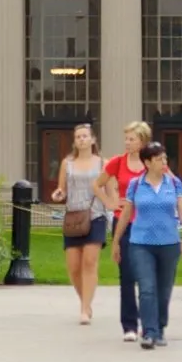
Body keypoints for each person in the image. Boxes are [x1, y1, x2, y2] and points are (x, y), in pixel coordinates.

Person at [110, 140, 182, 349]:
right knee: (147, 289)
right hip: (140, 244)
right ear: (147, 162)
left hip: (168, 243)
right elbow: (126, 213)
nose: (163, 162)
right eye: (158, 159)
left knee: (163, 290)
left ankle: (160, 327)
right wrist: (117, 241)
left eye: (165, 158)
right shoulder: (136, 185)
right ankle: (149, 332)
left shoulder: (173, 184)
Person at [50, 122, 108, 325]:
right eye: (78, 137)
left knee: (89, 262)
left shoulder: (103, 164)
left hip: (96, 216)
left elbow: (109, 190)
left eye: (85, 136)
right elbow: (62, 189)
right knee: (74, 267)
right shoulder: (68, 163)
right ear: (75, 141)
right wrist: (59, 195)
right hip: (74, 218)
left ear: (93, 139)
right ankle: (86, 301)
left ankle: (84, 309)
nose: (82, 139)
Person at [100, 122, 152, 341]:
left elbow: (167, 184)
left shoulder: (153, 162)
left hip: (149, 224)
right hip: (125, 223)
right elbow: (97, 185)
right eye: (126, 139)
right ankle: (129, 325)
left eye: (131, 139)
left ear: (142, 141)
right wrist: (111, 202)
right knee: (127, 275)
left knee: (147, 276)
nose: (127, 142)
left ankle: (148, 322)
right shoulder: (118, 162)